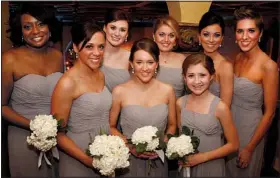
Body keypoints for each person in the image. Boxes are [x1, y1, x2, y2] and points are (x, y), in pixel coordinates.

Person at [1, 3, 63, 177]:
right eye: (27, 27)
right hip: (24, 138)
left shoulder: (58, 56)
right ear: (20, 32)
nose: (35, 31)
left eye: (41, 24)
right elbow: (1, 106)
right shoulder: (9, 59)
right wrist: (34, 125)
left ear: (50, 27)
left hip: (56, 137)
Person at [51, 20, 112, 177]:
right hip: (77, 159)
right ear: (76, 47)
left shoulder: (100, 75)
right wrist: (88, 161)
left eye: (101, 47)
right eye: (89, 46)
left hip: (105, 157)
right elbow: (58, 134)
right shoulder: (67, 83)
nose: (97, 53)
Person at [109, 38, 177, 177]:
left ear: (156, 64)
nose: (145, 68)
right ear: (131, 64)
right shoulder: (119, 91)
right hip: (128, 162)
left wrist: (161, 144)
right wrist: (130, 147)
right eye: (139, 62)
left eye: (150, 62)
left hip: (158, 160)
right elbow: (111, 126)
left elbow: (172, 125)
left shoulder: (167, 90)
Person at [226, 6, 279, 177]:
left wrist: (249, 147)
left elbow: (270, 113)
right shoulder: (238, 57)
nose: (245, 37)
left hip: (250, 131)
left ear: (260, 34)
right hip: (231, 126)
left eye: (251, 31)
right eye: (240, 31)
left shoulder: (268, 66)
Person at [176, 53, 239, 177]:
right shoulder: (180, 103)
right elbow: (180, 137)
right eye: (191, 76)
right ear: (184, 78)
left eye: (202, 75)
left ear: (211, 77)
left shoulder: (220, 107)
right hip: (187, 168)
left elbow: (234, 145)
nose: (197, 81)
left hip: (211, 168)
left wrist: (202, 157)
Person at [198, 11, 234, 106]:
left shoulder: (225, 66)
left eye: (216, 35)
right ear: (199, 37)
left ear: (222, 38)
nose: (211, 40)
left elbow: (225, 107)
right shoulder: (194, 61)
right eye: (206, 34)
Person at [153, 15, 186, 99]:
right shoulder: (145, 59)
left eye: (171, 35)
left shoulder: (183, 60)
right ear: (154, 36)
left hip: (176, 110)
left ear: (175, 40)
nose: (166, 40)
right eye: (161, 34)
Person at [101, 9, 131, 92]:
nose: (117, 34)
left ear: (127, 34)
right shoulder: (94, 54)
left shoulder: (131, 57)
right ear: (105, 28)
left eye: (122, 30)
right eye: (113, 28)